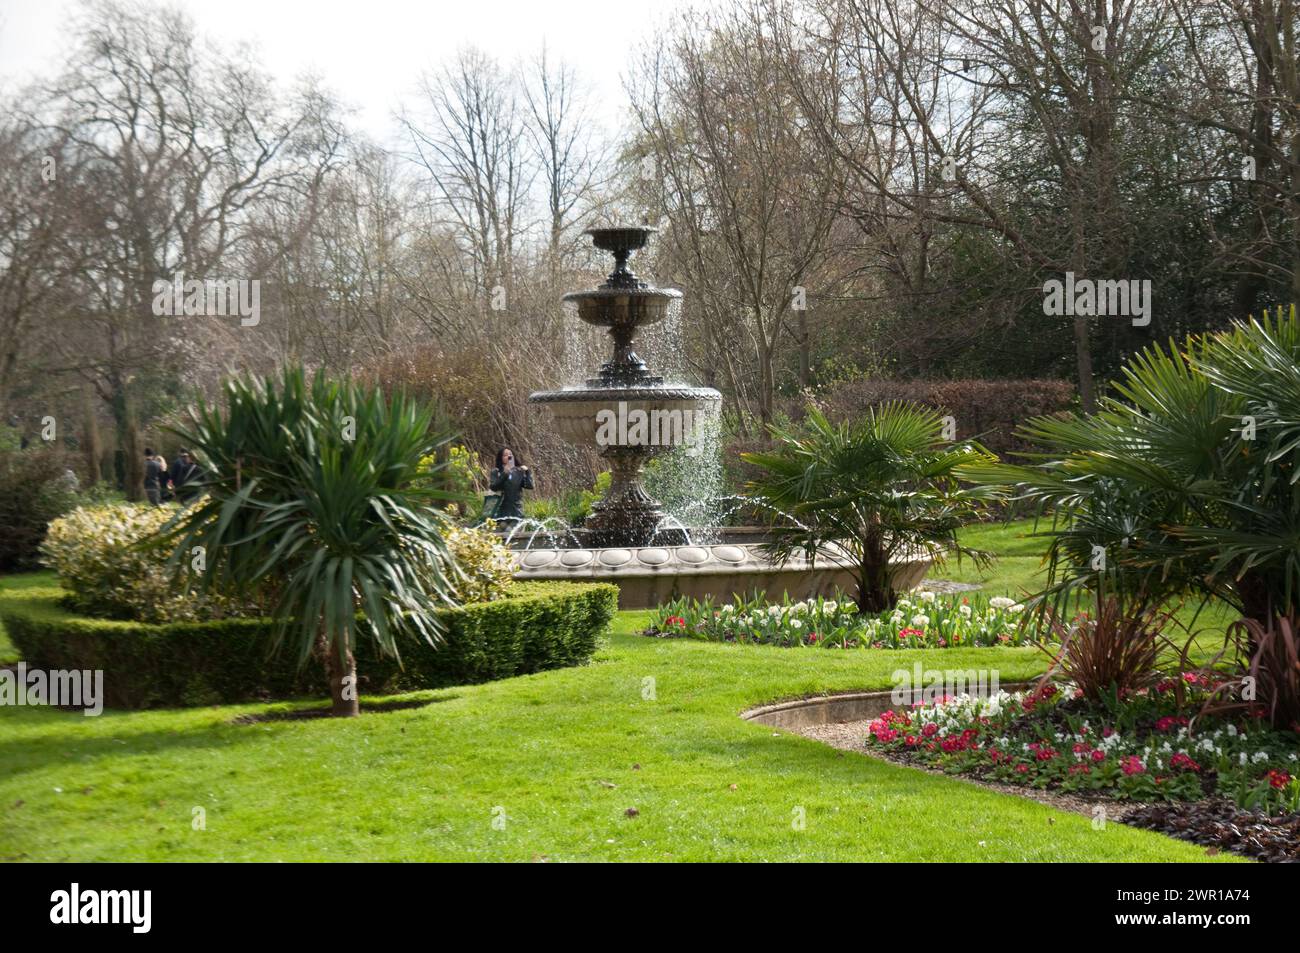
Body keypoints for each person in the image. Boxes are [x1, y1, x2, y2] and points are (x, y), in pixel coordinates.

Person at [488, 447, 533, 520]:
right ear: (501, 458)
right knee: (501, 529)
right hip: (500, 511)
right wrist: (504, 474)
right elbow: (493, 487)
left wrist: (528, 472)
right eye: (505, 455)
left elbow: (529, 486)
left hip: (516, 511)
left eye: (510, 454)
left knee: (514, 530)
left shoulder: (518, 472)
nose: (509, 456)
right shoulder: (496, 472)